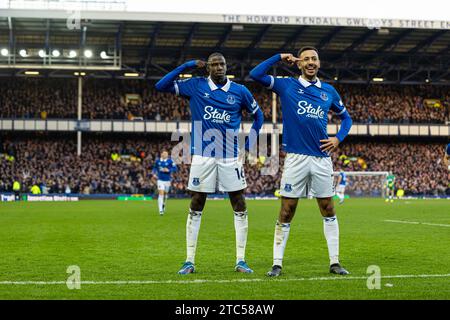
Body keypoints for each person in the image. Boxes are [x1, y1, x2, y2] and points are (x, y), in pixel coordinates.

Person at [155, 52, 264, 274]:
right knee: (197, 203)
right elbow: (161, 85)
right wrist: (186, 65)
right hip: (202, 156)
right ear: (208, 69)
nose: (219, 67)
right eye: (214, 64)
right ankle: (189, 260)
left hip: (230, 156)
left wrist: (250, 143)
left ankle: (241, 260)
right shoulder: (195, 86)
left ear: (226, 66)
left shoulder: (240, 91)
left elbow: (259, 116)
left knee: (239, 202)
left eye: (222, 63)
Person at [250, 46, 353, 277]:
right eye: (306, 59)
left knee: (327, 208)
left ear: (319, 63)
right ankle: (277, 263)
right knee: (287, 210)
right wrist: (278, 57)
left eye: (314, 59)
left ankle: (335, 262)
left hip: (322, 159)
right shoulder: (287, 85)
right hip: (296, 158)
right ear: (299, 63)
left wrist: (338, 138)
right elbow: (255, 74)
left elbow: (347, 119)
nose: (310, 62)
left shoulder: (329, 91)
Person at [152, 149, 177, 215]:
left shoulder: (170, 161)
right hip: (160, 180)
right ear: (162, 154)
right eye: (165, 154)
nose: (166, 155)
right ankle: (160, 210)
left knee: (165, 194)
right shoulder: (158, 161)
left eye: (167, 154)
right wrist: (154, 173)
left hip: (167, 180)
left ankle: (163, 204)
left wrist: (168, 170)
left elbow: (175, 168)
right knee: (161, 194)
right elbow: (154, 168)